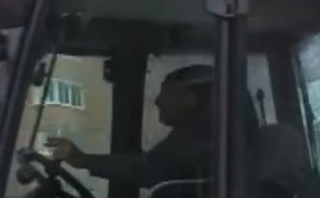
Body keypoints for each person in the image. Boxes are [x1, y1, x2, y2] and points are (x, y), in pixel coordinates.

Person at [44, 64, 216, 191]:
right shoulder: (194, 134)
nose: (157, 102)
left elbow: (149, 169)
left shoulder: (205, 141)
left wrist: (82, 160)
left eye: (167, 94)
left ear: (190, 99)